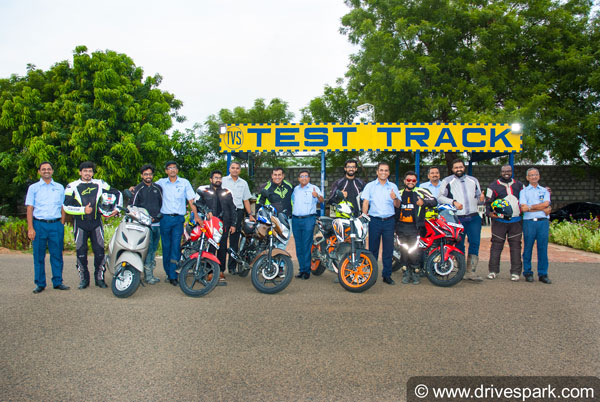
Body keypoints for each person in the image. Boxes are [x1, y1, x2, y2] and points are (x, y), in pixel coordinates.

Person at [63, 161, 121, 289]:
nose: (87, 173)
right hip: (80, 225)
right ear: (80, 172)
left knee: (100, 252)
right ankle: (84, 279)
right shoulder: (71, 186)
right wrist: (83, 210)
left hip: (96, 223)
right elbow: (66, 206)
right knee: (81, 252)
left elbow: (117, 193)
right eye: (85, 171)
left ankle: (99, 279)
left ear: (93, 173)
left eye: (90, 171)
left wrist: (117, 209)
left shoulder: (100, 183)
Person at [437, 159, 485, 281]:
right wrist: (453, 202)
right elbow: (440, 197)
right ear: (452, 169)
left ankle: (471, 272)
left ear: (464, 168)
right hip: (458, 218)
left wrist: (482, 199)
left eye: (460, 167)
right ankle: (461, 271)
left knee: (475, 243)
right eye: (456, 167)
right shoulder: (447, 181)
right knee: (459, 244)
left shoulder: (473, 180)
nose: (459, 169)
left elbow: (479, 198)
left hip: (474, 217)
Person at [25, 161, 69, 293]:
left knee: (57, 255)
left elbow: (63, 207)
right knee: (38, 256)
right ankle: (40, 283)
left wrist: (61, 223)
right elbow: (29, 208)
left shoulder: (60, 187)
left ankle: (57, 281)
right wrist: (30, 228)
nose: (46, 171)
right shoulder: (33, 188)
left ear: (52, 171)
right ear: (39, 172)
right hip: (39, 225)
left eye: (48, 169)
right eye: (43, 169)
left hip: (56, 225)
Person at [156, 161, 198, 286]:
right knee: (166, 246)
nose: (172, 170)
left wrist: (196, 216)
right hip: (165, 219)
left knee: (175, 247)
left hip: (178, 220)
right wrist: (134, 188)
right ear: (166, 171)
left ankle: (173, 274)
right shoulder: (161, 183)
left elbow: (191, 200)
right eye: (169, 168)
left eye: (174, 168)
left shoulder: (184, 183)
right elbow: (148, 187)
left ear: (177, 170)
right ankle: (168, 272)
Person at [361, 162, 401, 285]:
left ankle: (387, 275)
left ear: (389, 173)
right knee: (372, 250)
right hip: (374, 221)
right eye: (381, 170)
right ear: (377, 172)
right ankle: (371, 275)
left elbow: (398, 205)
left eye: (386, 170)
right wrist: (364, 215)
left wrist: (395, 198)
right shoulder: (370, 186)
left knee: (388, 250)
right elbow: (365, 202)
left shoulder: (393, 186)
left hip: (389, 221)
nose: (384, 172)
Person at [395, 171, 437, 285]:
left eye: (413, 180)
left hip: (415, 228)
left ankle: (415, 272)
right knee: (403, 251)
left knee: (414, 251)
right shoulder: (399, 193)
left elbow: (434, 201)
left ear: (416, 182)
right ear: (404, 181)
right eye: (408, 180)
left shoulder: (421, 191)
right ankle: (406, 272)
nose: (410, 182)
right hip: (401, 227)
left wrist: (423, 202)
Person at [196, 170, 236, 285]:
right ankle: (210, 271)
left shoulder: (226, 192)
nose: (218, 180)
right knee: (211, 248)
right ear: (211, 180)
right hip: (210, 225)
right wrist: (206, 211)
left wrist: (233, 224)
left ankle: (221, 271)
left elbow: (233, 209)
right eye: (216, 178)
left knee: (222, 248)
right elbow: (198, 204)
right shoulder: (205, 192)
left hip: (224, 224)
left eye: (220, 178)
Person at [485, 164, 524, 281]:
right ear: (500, 172)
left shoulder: (520, 185)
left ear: (512, 172)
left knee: (516, 247)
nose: (506, 173)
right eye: (504, 171)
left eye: (508, 171)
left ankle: (516, 272)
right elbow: (488, 203)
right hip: (499, 222)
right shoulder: (493, 186)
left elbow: (527, 199)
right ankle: (493, 271)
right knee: (496, 246)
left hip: (516, 221)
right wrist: (490, 213)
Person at [129, 164, 163, 284]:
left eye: (150, 174)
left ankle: (150, 273)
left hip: (157, 224)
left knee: (153, 249)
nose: (148, 176)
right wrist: (144, 218)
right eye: (146, 174)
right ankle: (148, 276)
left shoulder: (158, 188)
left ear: (153, 175)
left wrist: (157, 217)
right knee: (146, 250)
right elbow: (132, 207)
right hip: (143, 226)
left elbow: (162, 205)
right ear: (142, 175)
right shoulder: (137, 189)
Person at [222, 162, 255, 274]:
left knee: (234, 241)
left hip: (238, 212)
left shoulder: (243, 183)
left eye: (237, 168)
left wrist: (250, 214)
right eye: (233, 168)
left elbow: (246, 200)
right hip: (224, 213)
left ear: (240, 170)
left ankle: (231, 267)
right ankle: (218, 268)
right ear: (229, 169)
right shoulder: (223, 181)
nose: (235, 170)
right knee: (220, 240)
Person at [520, 167, 552, 284]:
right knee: (528, 248)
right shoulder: (523, 192)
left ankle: (543, 274)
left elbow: (547, 204)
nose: (534, 177)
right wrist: (540, 207)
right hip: (529, 223)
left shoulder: (544, 191)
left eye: (536, 174)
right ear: (527, 178)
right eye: (531, 175)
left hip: (543, 222)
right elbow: (523, 208)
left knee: (543, 248)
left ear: (539, 176)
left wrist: (531, 207)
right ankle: (528, 272)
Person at [292, 170, 324, 280]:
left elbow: (322, 200)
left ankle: (306, 271)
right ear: (298, 178)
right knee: (299, 246)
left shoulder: (314, 188)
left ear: (309, 178)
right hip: (296, 220)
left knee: (306, 245)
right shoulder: (295, 189)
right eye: (302, 176)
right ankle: (301, 270)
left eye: (306, 176)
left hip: (308, 219)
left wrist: (317, 196)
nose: (304, 178)